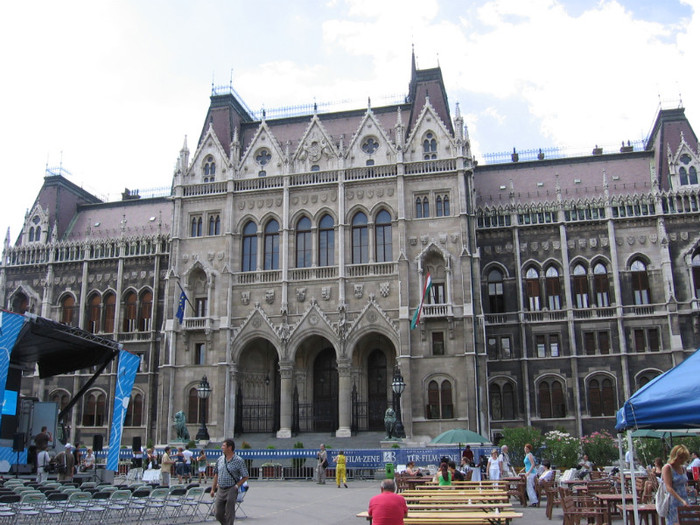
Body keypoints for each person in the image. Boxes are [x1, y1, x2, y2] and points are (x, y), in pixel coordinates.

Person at [210, 438, 249, 525]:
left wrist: (237, 486)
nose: (222, 447)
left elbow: (245, 476)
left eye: (223, 446)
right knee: (218, 513)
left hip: (231, 488)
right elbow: (216, 474)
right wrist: (213, 489)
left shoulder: (238, 460)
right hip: (221, 488)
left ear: (230, 448)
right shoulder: (220, 459)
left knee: (229, 512)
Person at [662, 444, 690, 525]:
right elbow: (668, 487)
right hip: (674, 500)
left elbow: (684, 483)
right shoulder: (668, 468)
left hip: (685, 498)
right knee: (675, 522)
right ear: (675, 456)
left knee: (687, 521)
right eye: (681, 457)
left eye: (684, 458)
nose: (682, 460)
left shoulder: (683, 468)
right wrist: (681, 500)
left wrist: (690, 489)